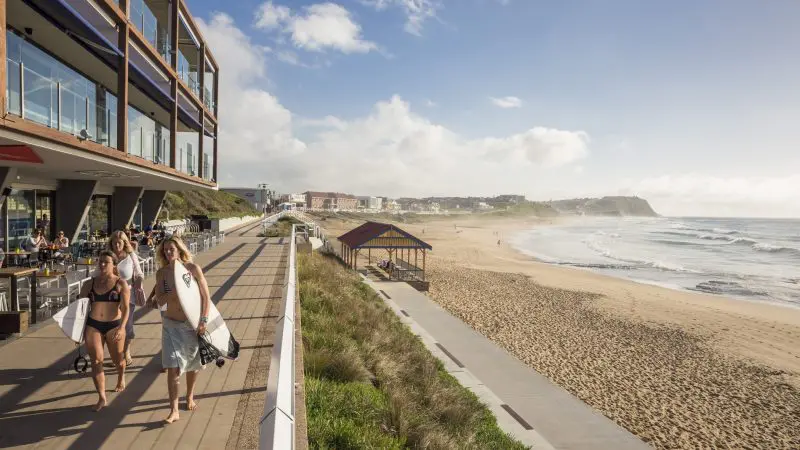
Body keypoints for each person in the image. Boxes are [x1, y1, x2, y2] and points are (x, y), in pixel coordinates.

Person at [147, 236, 211, 424]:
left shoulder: (192, 269)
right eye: (165, 250)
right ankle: (174, 410)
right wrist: (175, 291)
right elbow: (160, 301)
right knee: (172, 368)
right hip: (170, 324)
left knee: (193, 364)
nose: (168, 252)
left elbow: (206, 297)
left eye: (171, 249)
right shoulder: (162, 273)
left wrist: (203, 321)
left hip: (191, 323)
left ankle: (189, 396)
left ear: (179, 250)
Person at [79, 250, 130, 411]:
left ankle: (121, 376)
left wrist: (122, 328)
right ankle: (102, 397)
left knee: (118, 361)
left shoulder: (120, 283)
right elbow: (79, 308)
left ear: (113, 265)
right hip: (93, 325)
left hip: (114, 326)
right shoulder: (90, 283)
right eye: (100, 261)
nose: (101, 264)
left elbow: (126, 308)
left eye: (105, 262)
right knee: (96, 361)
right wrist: (76, 331)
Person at [107, 231, 145, 366]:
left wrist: (139, 281)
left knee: (127, 326)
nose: (117, 245)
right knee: (113, 327)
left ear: (124, 243)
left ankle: (126, 351)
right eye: (114, 242)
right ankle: (117, 354)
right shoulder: (108, 257)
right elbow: (97, 272)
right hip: (110, 297)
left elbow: (139, 273)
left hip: (128, 296)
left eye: (120, 242)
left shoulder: (130, 256)